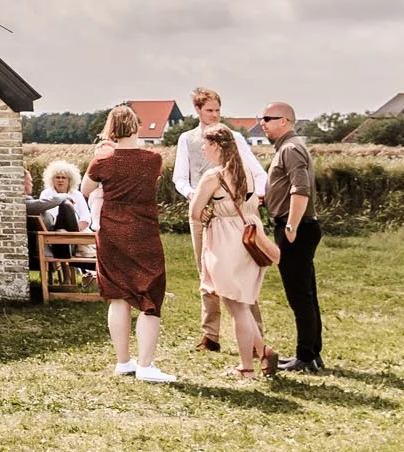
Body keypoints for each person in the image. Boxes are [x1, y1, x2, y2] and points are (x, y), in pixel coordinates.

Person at [84, 105, 175, 382]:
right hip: (143, 230)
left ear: (110, 129)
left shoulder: (102, 161)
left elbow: (86, 189)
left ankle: (123, 361)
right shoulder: (153, 159)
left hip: (110, 230)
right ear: (136, 127)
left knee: (118, 295)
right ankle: (146, 365)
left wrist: (103, 153)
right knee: (150, 294)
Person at [172, 88, 266, 352]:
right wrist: (194, 195)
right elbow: (180, 178)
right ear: (198, 110)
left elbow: (258, 174)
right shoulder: (187, 139)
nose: (214, 115)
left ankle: (256, 336)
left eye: (217, 110)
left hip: (231, 213)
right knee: (206, 273)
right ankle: (210, 335)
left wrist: (256, 196)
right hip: (201, 212)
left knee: (240, 272)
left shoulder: (233, 137)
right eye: (209, 110)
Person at [189, 127, 274, 378]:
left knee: (237, 308)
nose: (203, 149)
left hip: (224, 241)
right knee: (242, 303)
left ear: (216, 146)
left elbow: (195, 212)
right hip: (248, 238)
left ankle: (246, 367)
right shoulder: (246, 171)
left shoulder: (213, 176)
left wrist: (210, 214)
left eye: (206, 144)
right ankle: (263, 351)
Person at [260, 101, 324, 372]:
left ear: (284, 121)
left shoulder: (290, 148)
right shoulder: (288, 147)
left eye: (267, 118)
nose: (262, 123)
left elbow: (300, 189)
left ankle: (305, 357)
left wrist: (291, 227)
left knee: (299, 296)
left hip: (295, 227)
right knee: (306, 293)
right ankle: (312, 353)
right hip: (297, 225)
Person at [33, 159, 93, 284]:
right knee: (63, 219)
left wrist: (75, 230)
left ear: (70, 179)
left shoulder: (77, 194)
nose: (60, 180)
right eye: (57, 177)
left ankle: (67, 279)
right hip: (53, 232)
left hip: (75, 231)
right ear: (52, 179)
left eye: (63, 177)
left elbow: (86, 218)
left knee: (65, 212)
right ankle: (69, 278)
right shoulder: (46, 194)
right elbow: (46, 216)